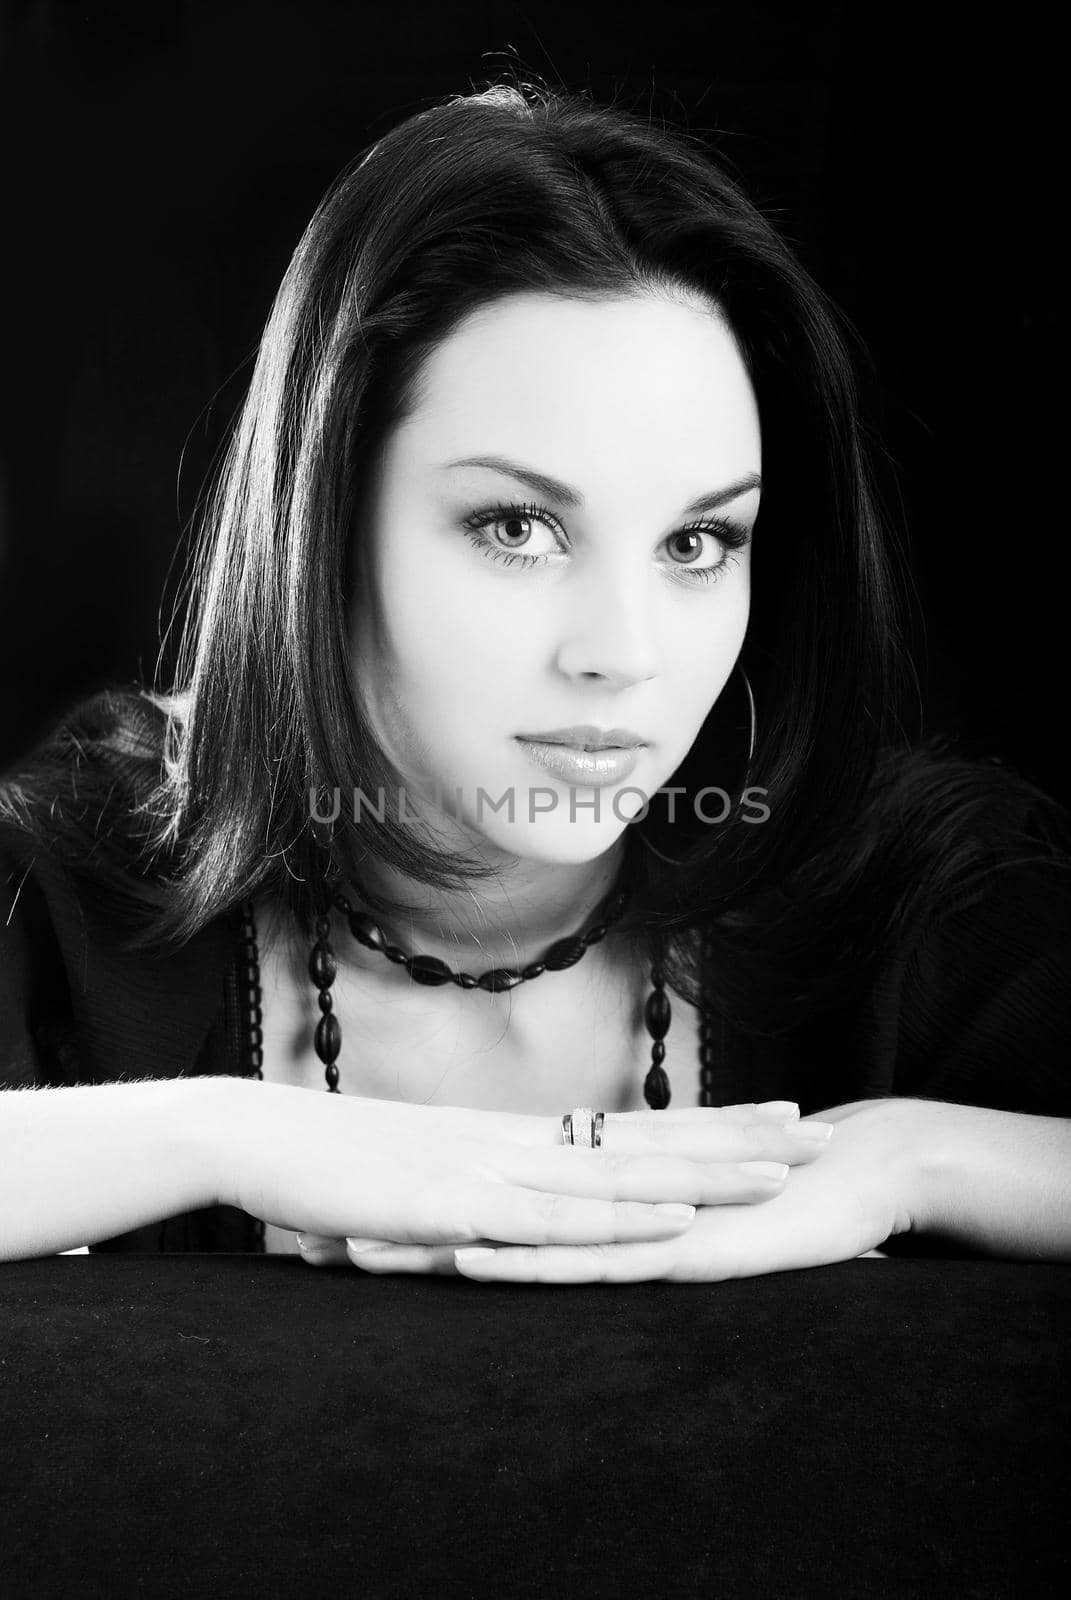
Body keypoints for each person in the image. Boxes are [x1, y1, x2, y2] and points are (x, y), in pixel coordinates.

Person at [2, 79, 1069, 1279]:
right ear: (324, 524)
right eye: (516, 527)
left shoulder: (895, 890)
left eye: (697, 543)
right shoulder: (91, 874)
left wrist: (918, 1161)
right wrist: (220, 1132)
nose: (624, 651)